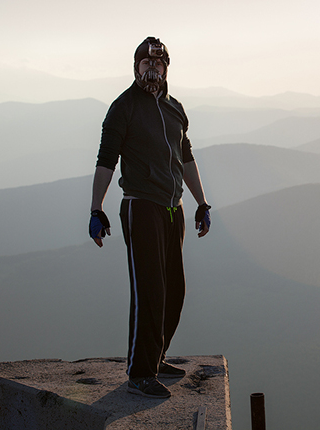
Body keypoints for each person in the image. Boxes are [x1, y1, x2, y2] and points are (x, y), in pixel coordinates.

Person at [89, 36, 211, 399]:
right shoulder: (123, 107)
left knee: (175, 290)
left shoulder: (175, 109)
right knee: (150, 291)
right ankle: (140, 373)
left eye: (158, 64)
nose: (152, 69)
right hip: (141, 206)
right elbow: (106, 159)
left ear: (166, 68)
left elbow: (185, 158)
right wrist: (97, 208)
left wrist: (202, 202)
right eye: (146, 63)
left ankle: (156, 359)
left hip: (174, 208)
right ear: (136, 67)